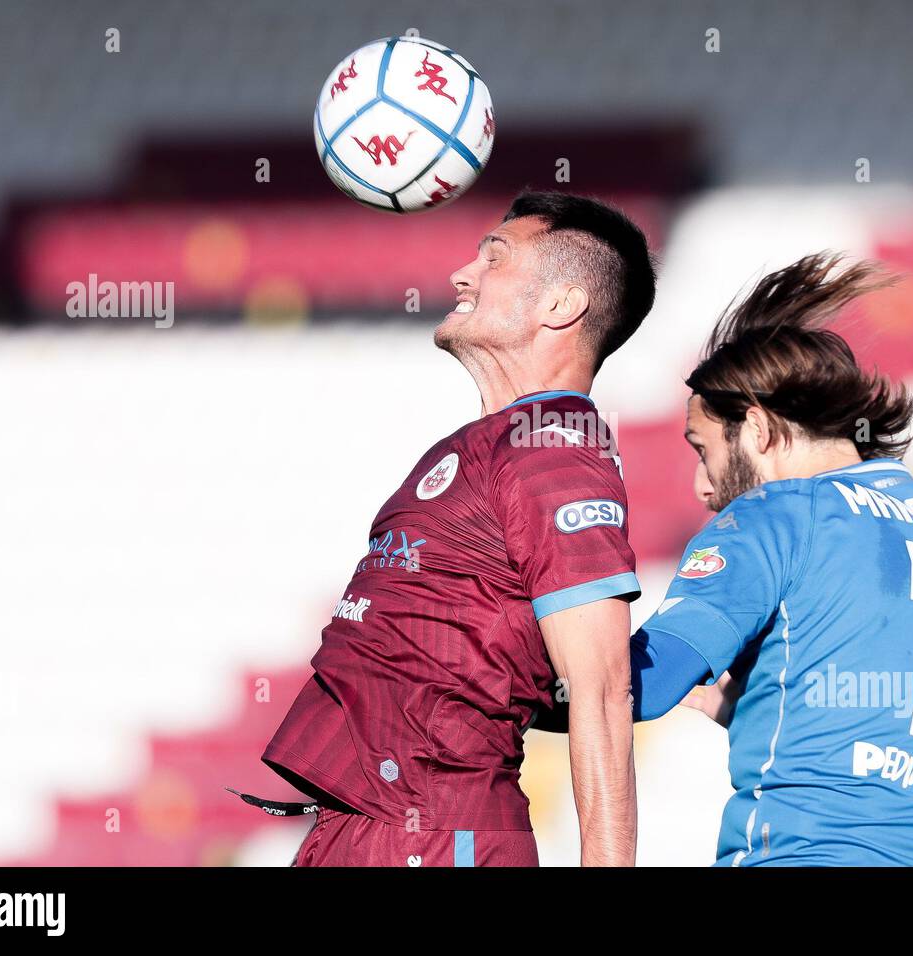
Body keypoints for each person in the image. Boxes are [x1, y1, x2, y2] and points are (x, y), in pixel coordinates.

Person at [254, 190, 656, 866]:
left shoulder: (555, 448)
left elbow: (601, 691)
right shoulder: (481, 446)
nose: (462, 275)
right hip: (364, 827)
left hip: (435, 834)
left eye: (493, 259)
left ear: (562, 304)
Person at [629, 252, 913, 865]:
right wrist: (767, 710)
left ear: (755, 428)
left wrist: (474, 680)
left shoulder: (775, 514)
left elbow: (638, 686)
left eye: (703, 451)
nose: (704, 487)